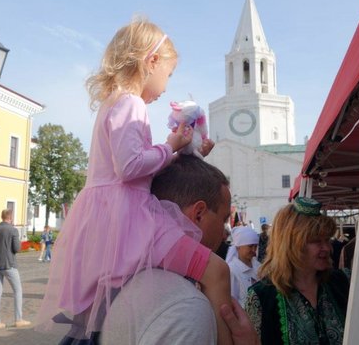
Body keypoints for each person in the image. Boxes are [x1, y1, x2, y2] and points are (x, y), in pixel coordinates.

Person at [38, 19, 233, 344]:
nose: (166, 86)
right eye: (168, 74)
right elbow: (130, 167)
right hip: (132, 222)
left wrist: (185, 151)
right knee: (217, 272)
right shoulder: (130, 103)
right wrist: (169, 146)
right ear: (151, 61)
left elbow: (133, 169)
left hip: (115, 218)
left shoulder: (114, 103)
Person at [102, 154, 259, 345]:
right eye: (224, 219)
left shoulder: (132, 282)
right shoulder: (189, 308)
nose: (225, 232)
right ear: (199, 213)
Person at [245, 198, 359, 345]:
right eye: (317, 241)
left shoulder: (343, 282)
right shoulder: (260, 298)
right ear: (291, 244)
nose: (327, 248)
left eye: (327, 240)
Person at [0, 209, 31, 331]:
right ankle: (18, 319)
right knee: (17, 291)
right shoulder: (13, 230)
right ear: (10, 217)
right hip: (9, 265)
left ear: (2, 217)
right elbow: (17, 248)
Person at [227, 226, 260, 307]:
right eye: (250, 246)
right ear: (238, 247)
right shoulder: (232, 270)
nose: (254, 250)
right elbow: (232, 301)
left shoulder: (258, 266)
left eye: (255, 246)